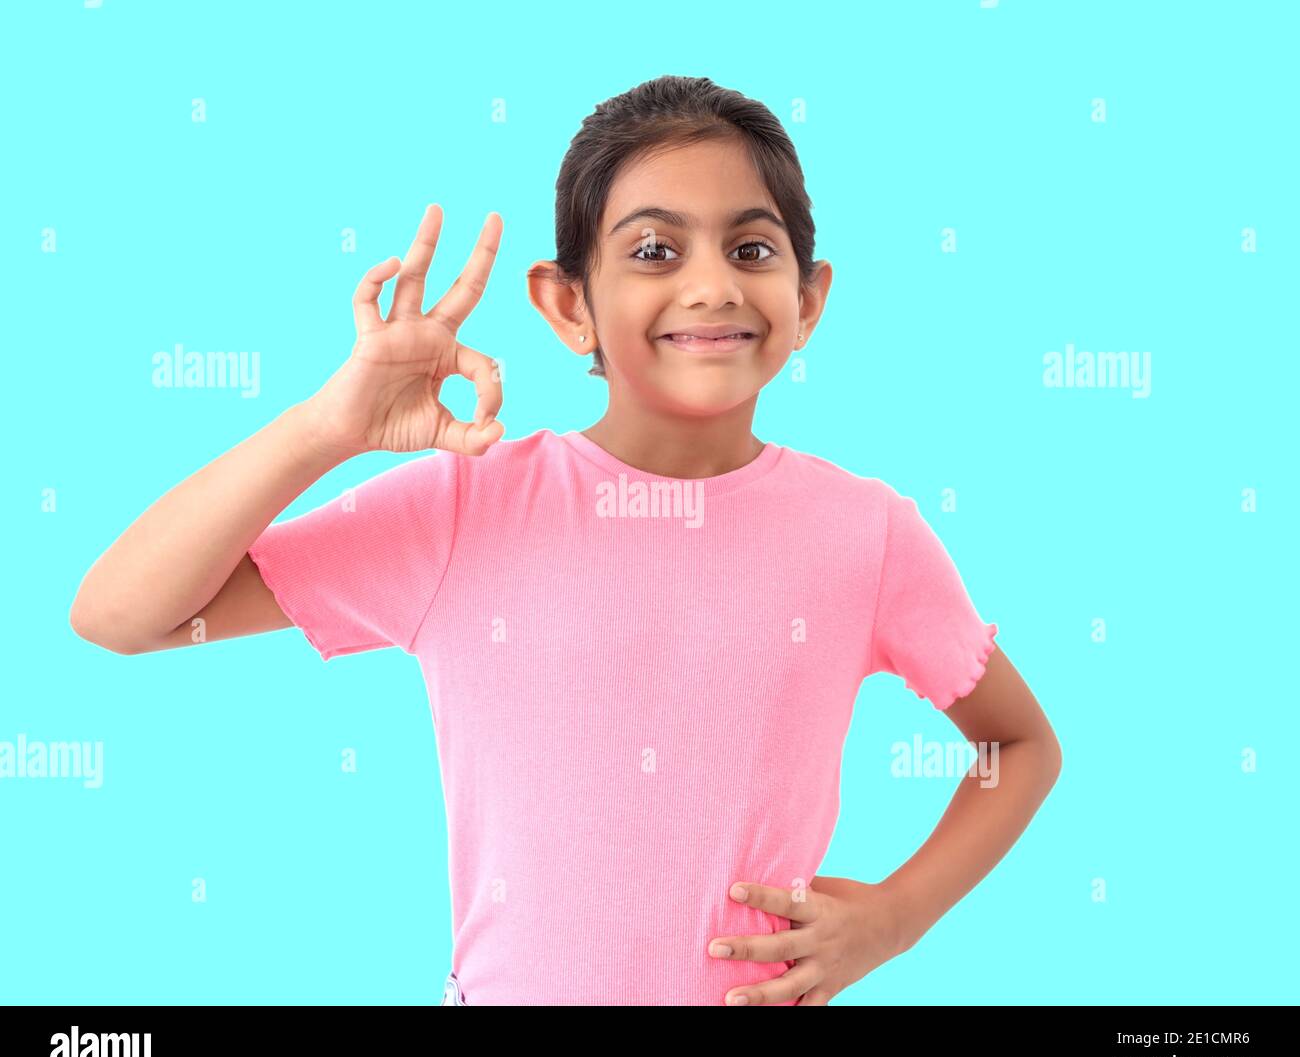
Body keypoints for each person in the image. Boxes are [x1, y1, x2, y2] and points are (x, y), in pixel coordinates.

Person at [69, 75, 1062, 1006]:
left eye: (751, 250)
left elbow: (1015, 745)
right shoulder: (462, 510)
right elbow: (124, 616)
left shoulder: (866, 533)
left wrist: (896, 915)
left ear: (806, 299)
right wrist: (323, 429)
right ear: (565, 303)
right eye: (653, 250)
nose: (712, 286)